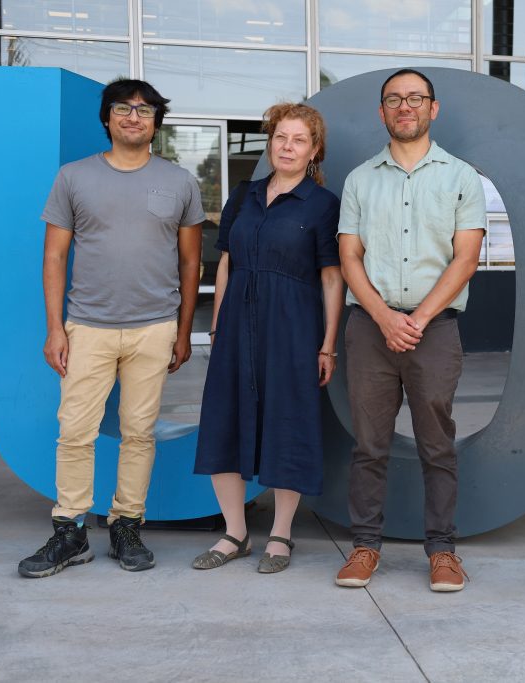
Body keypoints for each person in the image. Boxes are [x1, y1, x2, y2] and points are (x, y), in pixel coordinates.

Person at [19, 79, 204, 578]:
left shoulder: (180, 181)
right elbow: (54, 256)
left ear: (156, 123)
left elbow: (191, 262)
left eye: (144, 110)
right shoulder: (73, 177)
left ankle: (126, 526)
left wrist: (183, 331)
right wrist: (55, 329)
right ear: (107, 118)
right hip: (87, 326)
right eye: (123, 108)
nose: (133, 117)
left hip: (154, 328)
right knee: (75, 431)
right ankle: (70, 531)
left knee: (139, 432)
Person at [335, 69, 486, 592]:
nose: (405, 107)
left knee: (437, 445)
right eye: (394, 99)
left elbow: (466, 259)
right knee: (368, 446)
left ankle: (442, 552)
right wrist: (384, 317)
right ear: (382, 112)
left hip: (434, 330)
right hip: (369, 329)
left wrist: (416, 320)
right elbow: (349, 257)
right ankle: (364, 547)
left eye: (415, 98)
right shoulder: (360, 179)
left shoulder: (461, 177)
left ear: (432, 109)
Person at [192, 103, 343, 573]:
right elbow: (226, 263)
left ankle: (280, 535)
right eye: (281, 137)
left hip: (293, 328)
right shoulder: (244, 195)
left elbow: (332, 278)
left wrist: (327, 344)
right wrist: (217, 327)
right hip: (235, 326)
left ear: (314, 151)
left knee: (288, 423)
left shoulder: (323, 204)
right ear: (270, 142)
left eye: (299, 140)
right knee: (224, 421)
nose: (287, 147)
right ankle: (235, 534)